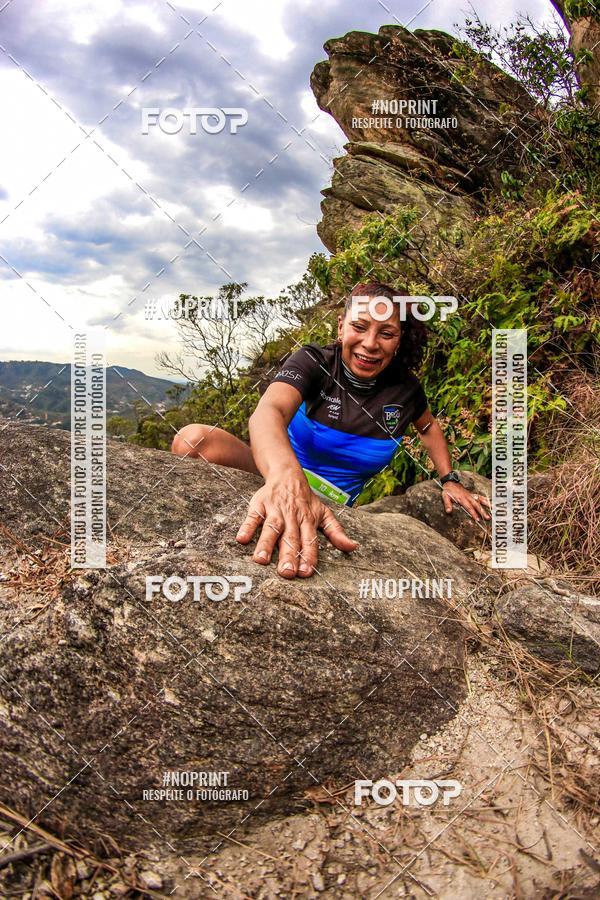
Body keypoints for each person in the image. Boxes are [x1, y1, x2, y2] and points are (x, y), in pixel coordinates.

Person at [171, 281, 491, 579]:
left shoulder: (405, 390)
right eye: (359, 326)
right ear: (341, 326)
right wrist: (287, 480)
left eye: (386, 334)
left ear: (400, 340)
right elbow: (269, 411)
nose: (370, 343)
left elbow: (429, 426)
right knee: (192, 440)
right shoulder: (315, 362)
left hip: (335, 503)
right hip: (274, 474)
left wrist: (450, 480)